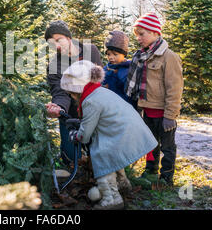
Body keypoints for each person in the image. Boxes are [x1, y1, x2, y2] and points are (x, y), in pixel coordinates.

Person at [61, 60, 158, 210]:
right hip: (131, 131)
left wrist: (75, 134)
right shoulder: (101, 92)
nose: (72, 97)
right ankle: (122, 182)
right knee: (109, 149)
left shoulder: (90, 101)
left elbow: (85, 135)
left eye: (71, 93)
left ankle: (111, 198)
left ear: (77, 90)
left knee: (101, 153)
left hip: (123, 134)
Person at [125, 13, 183, 186]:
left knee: (167, 147)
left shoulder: (168, 57)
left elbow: (175, 88)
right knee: (150, 144)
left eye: (141, 34)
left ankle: (166, 176)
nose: (138, 38)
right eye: (136, 35)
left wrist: (170, 115)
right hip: (147, 110)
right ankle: (150, 171)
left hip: (164, 114)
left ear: (154, 32)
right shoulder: (142, 56)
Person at [44, 20, 103, 164]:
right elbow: (60, 92)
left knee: (99, 155)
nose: (57, 46)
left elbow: (99, 81)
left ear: (68, 38)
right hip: (70, 115)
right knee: (69, 158)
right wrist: (59, 107)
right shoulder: (54, 66)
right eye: (52, 43)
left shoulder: (91, 51)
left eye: (59, 40)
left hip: (94, 112)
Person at [102, 30, 136, 108]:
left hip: (123, 109)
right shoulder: (105, 69)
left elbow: (130, 94)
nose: (111, 57)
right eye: (108, 54)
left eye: (115, 54)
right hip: (107, 107)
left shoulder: (128, 70)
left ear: (123, 54)